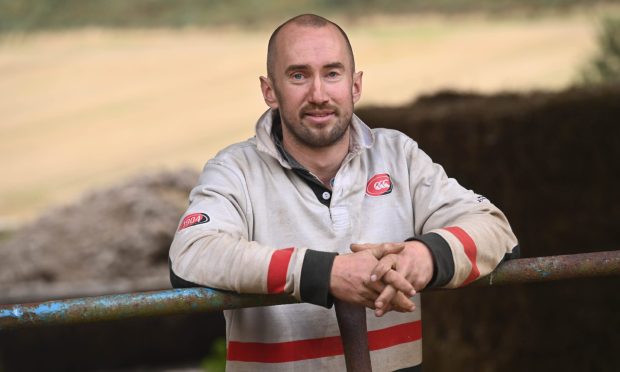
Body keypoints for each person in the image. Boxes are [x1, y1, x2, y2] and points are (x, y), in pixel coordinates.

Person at [169, 13, 518, 371]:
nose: (318, 94)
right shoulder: (234, 169)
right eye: (298, 75)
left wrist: (421, 258)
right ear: (269, 90)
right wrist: (325, 273)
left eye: (332, 73)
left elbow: (496, 230)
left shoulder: (398, 156)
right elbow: (191, 256)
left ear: (355, 85)